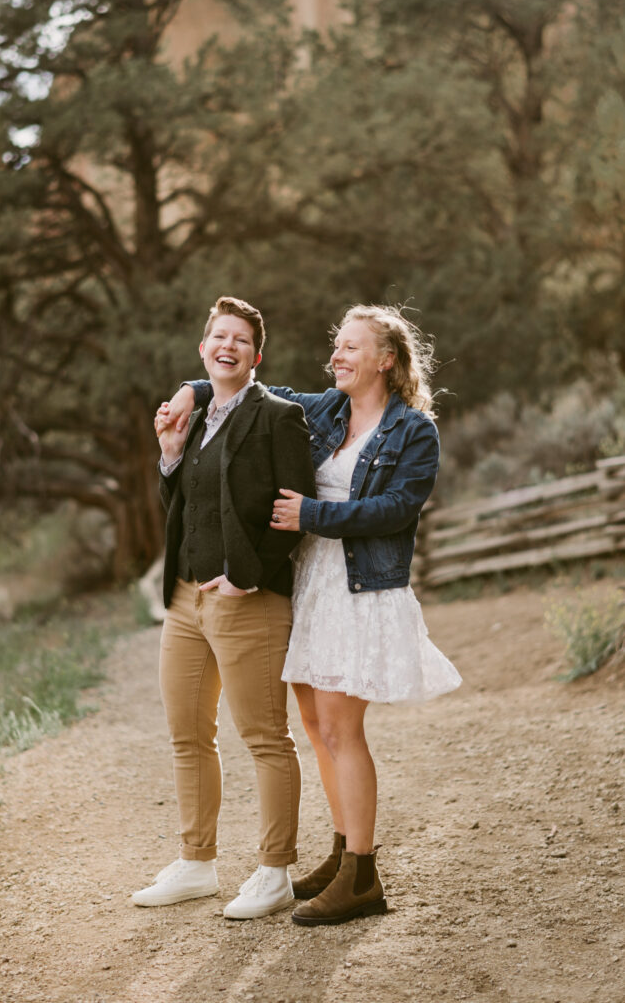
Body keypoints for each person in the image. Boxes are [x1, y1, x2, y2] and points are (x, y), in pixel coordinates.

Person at [158, 303, 462, 927]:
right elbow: (259, 390)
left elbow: (397, 510)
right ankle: (340, 851)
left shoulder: (414, 430)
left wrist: (312, 516)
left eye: (352, 347)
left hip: (362, 591)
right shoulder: (326, 410)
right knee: (316, 725)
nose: (338, 356)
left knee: (342, 730)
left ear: (386, 358)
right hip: (313, 585)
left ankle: (363, 874)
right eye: (336, 346)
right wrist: (193, 387)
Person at [133, 295, 315, 921]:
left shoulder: (278, 417)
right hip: (185, 601)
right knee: (188, 735)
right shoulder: (199, 414)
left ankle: (274, 873)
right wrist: (170, 453)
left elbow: (296, 512)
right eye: (219, 336)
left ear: (255, 356)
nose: (228, 346)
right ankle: (196, 863)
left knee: (265, 738)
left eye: (240, 339)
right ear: (204, 348)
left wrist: (249, 576)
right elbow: (181, 504)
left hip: (249, 601)